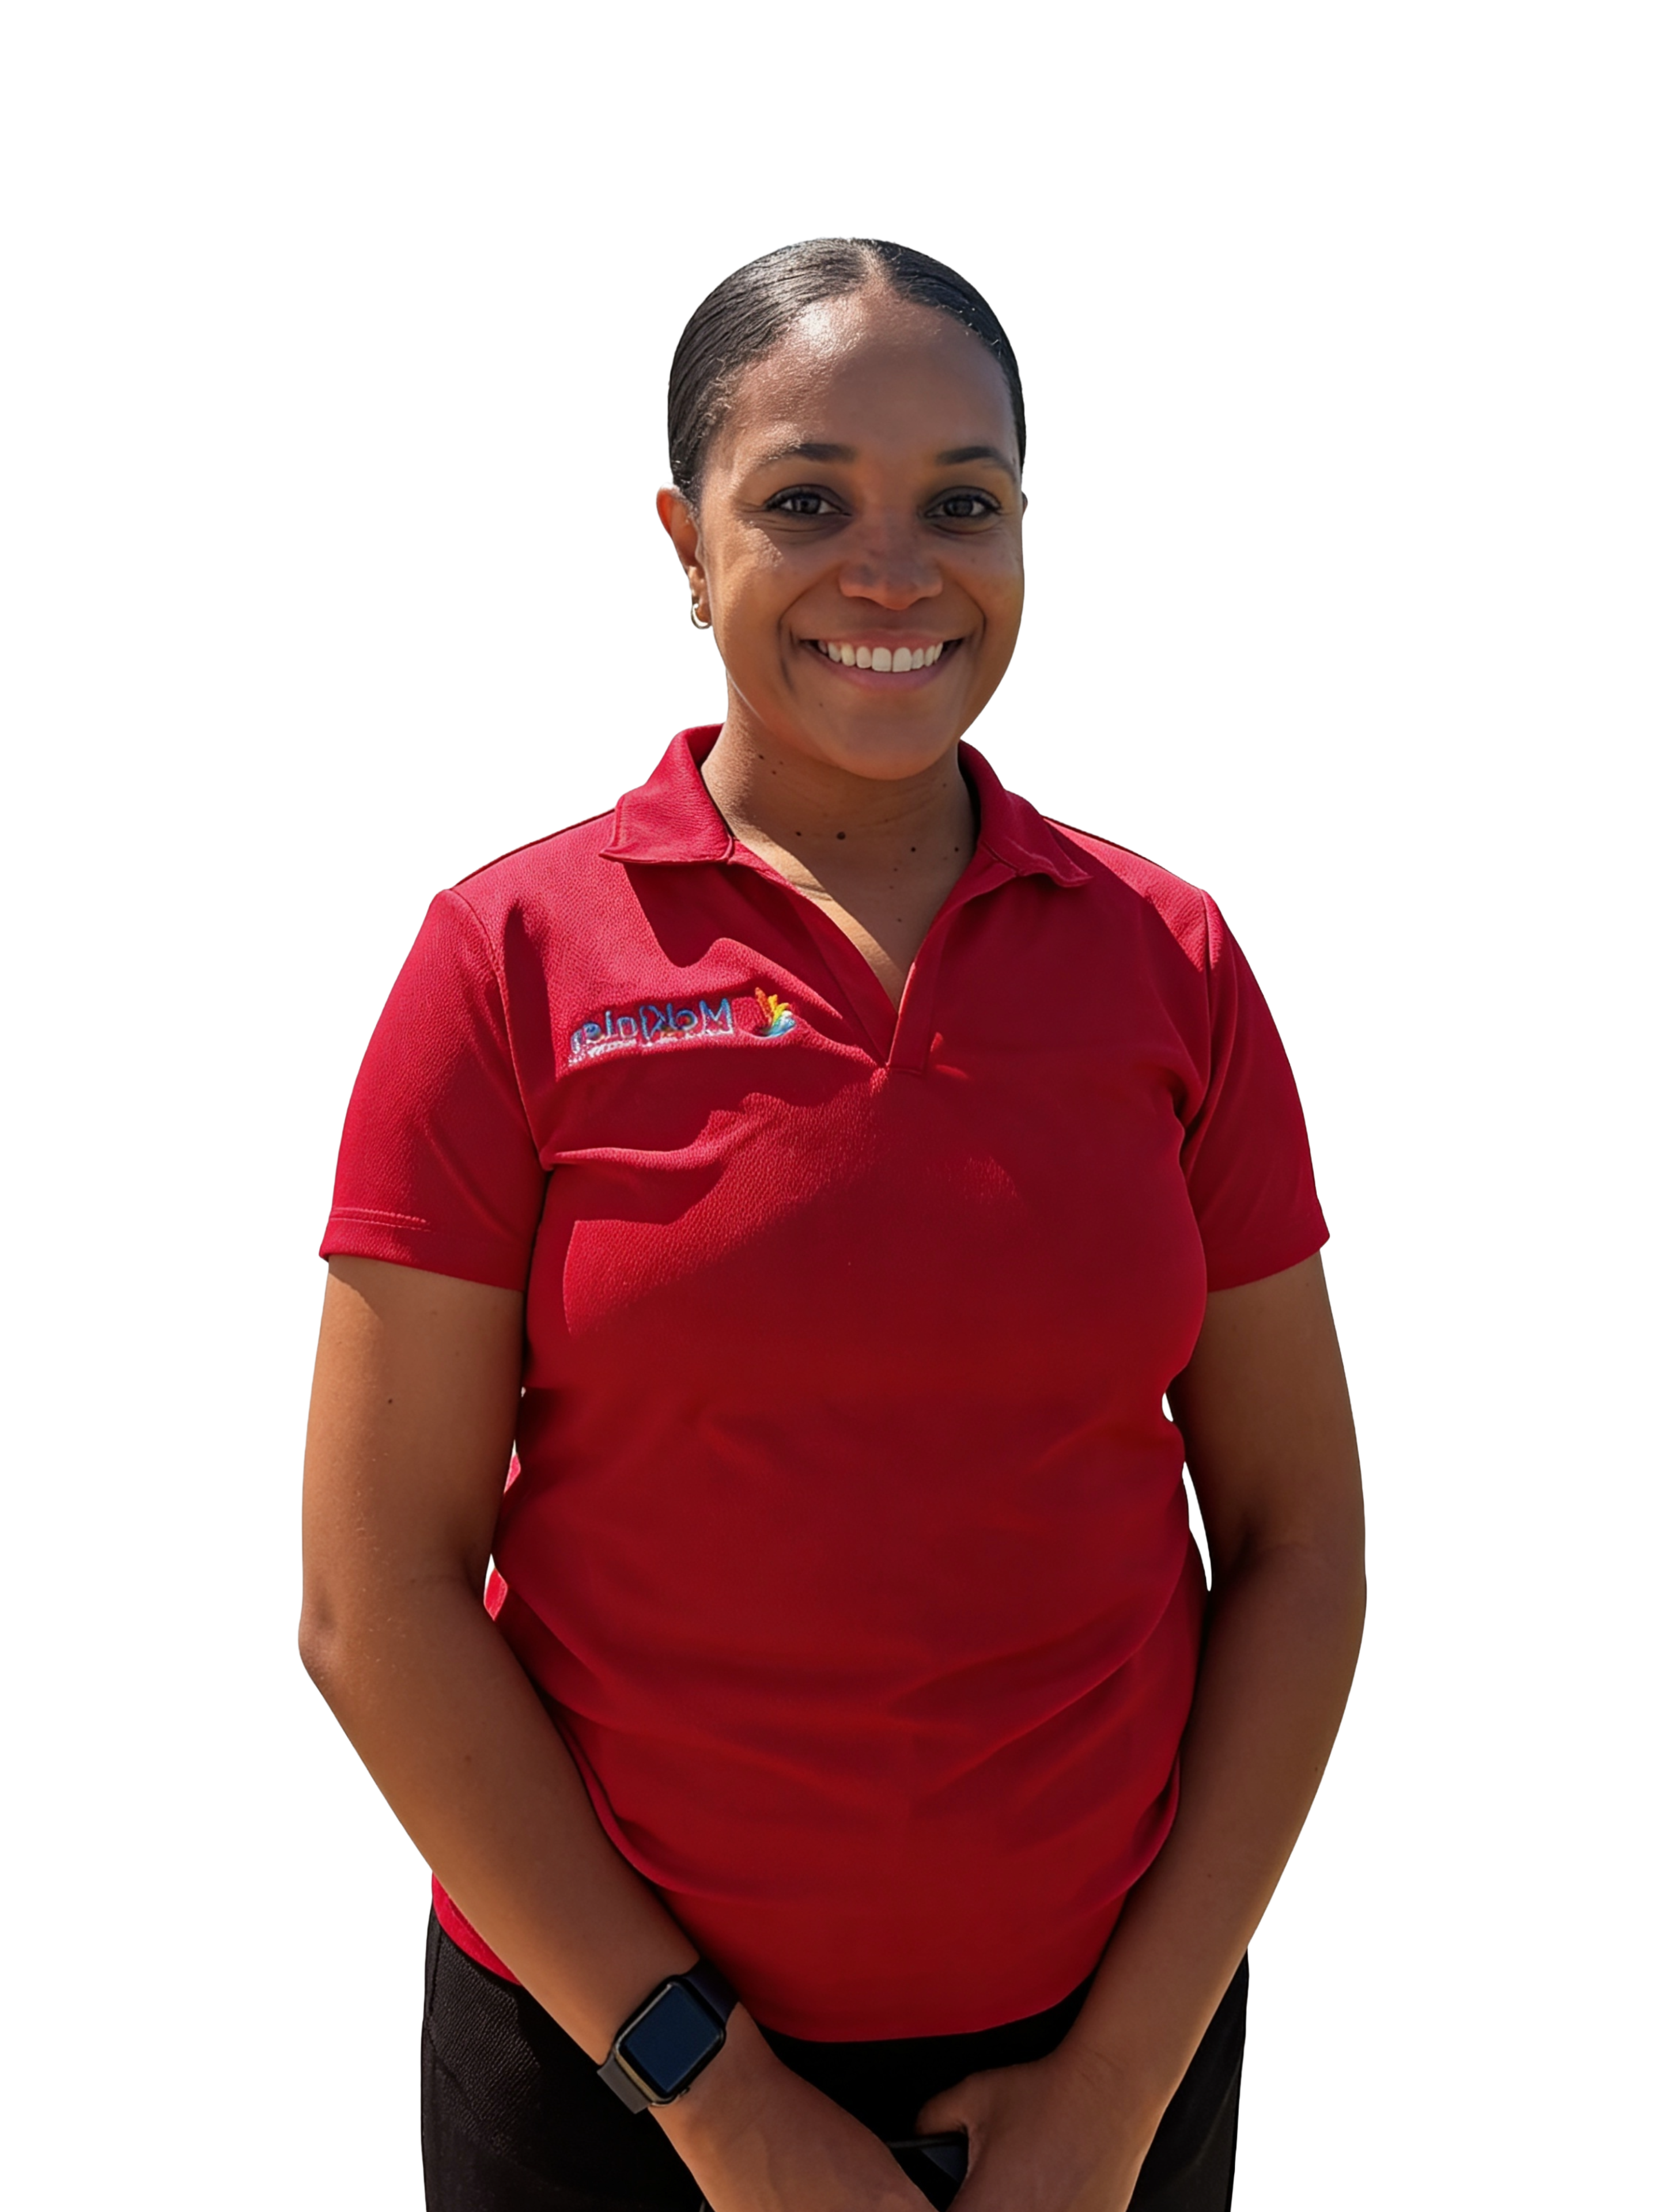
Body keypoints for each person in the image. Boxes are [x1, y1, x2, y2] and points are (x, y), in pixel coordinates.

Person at [301, 237, 1365, 2212]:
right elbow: (378, 1601)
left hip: (1095, 2085)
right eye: (806, 502)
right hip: (610, 2084)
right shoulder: (508, 961)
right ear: (685, 545)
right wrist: (721, 2104)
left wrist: (1118, 2088)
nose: (895, 572)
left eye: (962, 504)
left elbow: (1300, 1541)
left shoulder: (1171, 962)